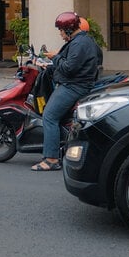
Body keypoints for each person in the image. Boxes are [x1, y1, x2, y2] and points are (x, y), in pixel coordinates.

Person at [31, 11, 98, 171]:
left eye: (61, 31)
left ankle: (51, 159)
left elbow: (69, 68)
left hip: (74, 86)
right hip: (75, 83)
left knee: (49, 116)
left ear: (68, 29)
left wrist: (55, 56)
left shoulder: (79, 43)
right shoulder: (81, 41)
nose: (60, 34)